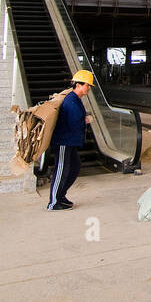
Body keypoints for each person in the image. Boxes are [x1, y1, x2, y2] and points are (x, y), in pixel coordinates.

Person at [46, 70, 95, 211]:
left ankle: (61, 195)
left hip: (71, 141)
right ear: (78, 85)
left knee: (74, 168)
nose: (89, 88)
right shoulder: (71, 100)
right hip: (64, 141)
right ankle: (54, 202)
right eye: (87, 85)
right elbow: (74, 122)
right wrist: (85, 120)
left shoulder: (76, 99)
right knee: (61, 170)